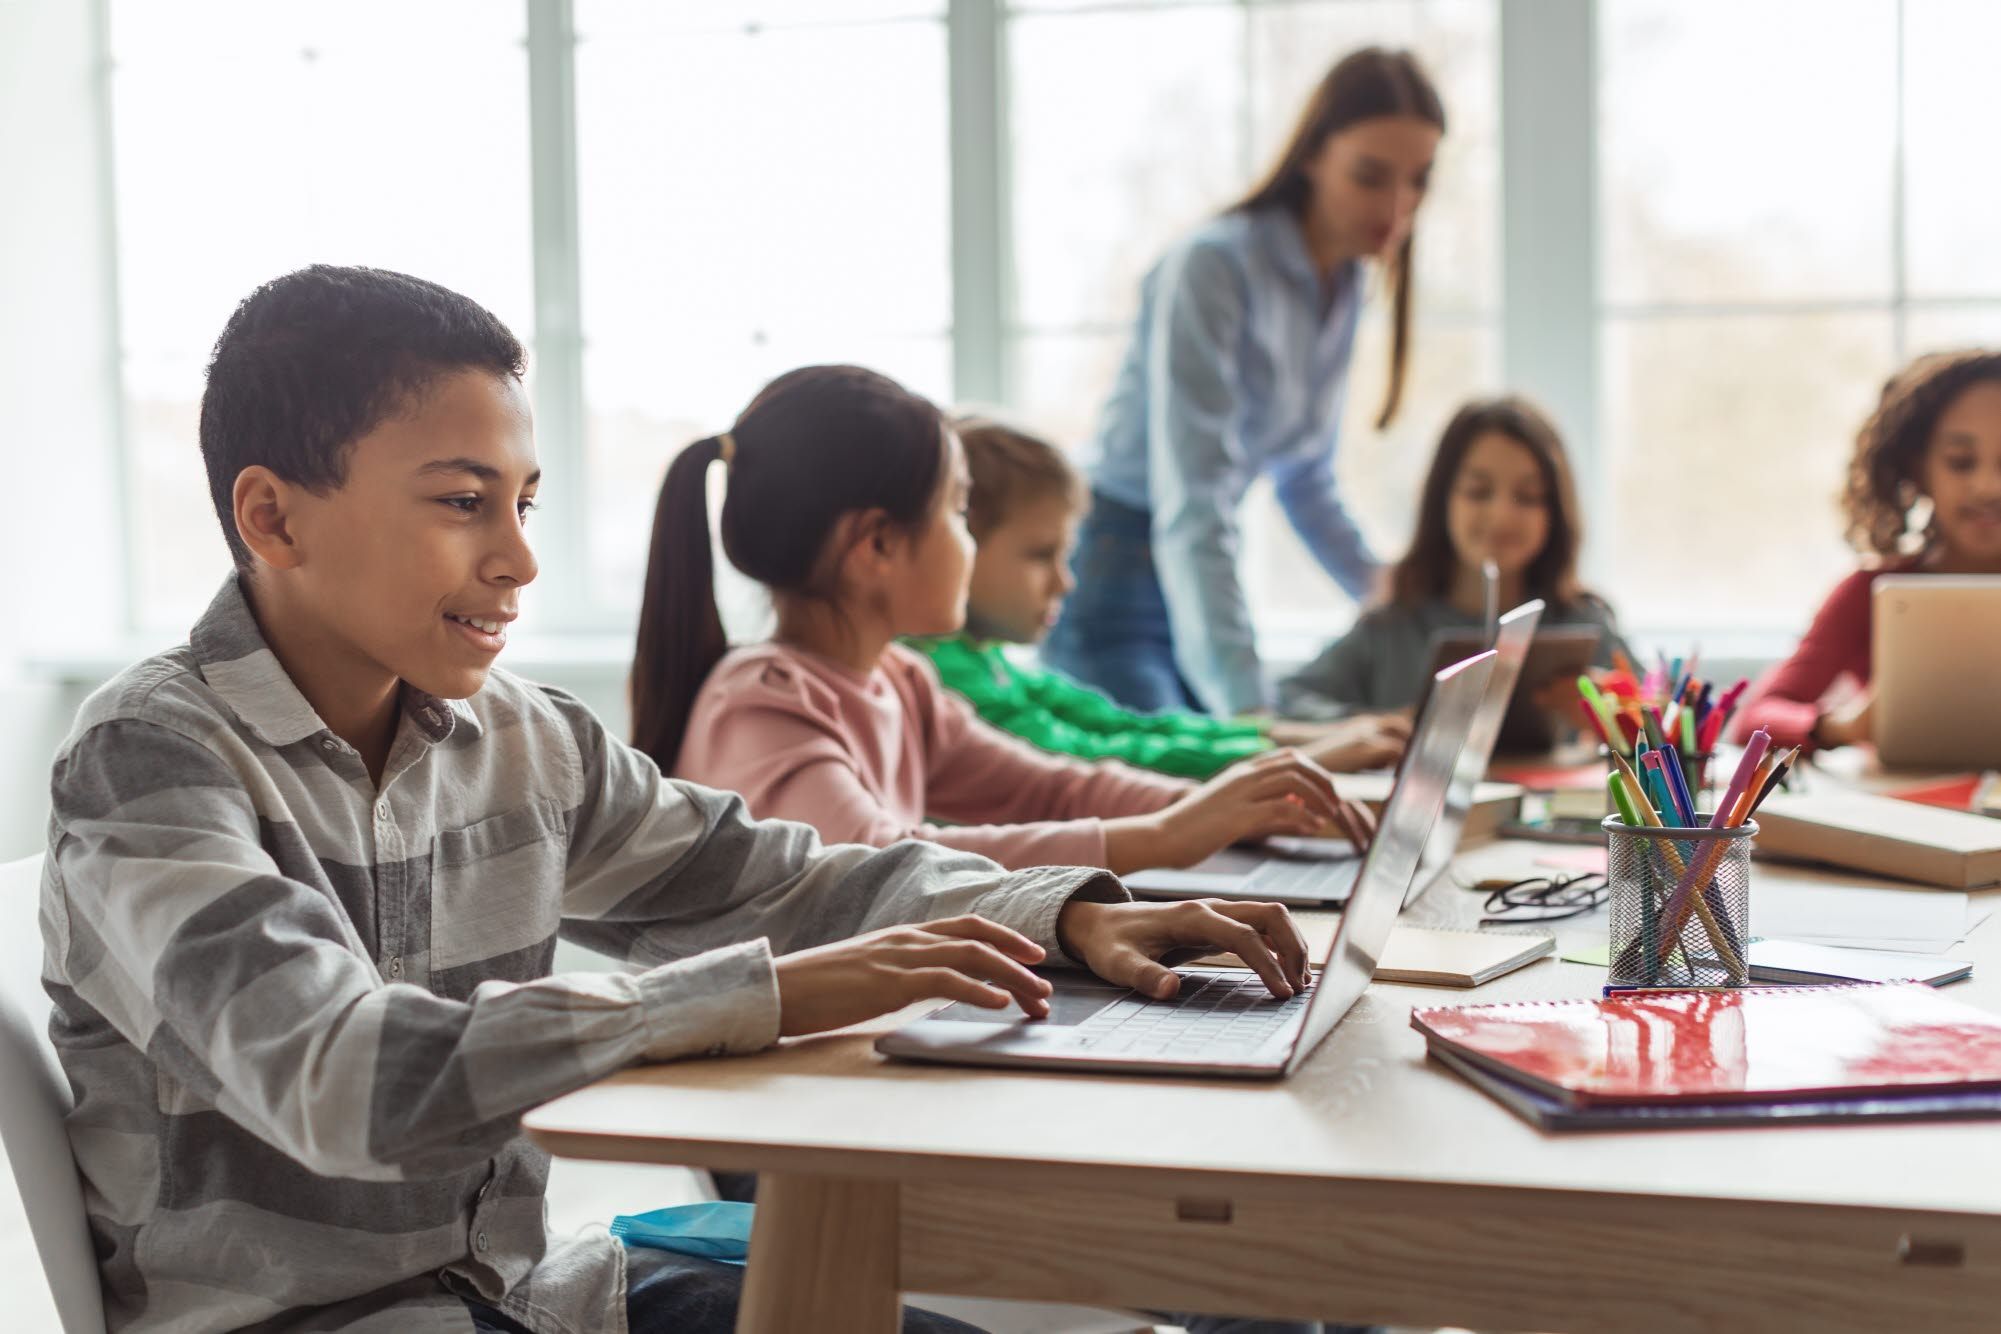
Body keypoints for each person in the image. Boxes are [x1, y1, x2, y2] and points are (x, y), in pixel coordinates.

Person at [41, 266, 1315, 1334]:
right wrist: (753, 994)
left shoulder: (527, 740)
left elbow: (789, 880)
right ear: (273, 514)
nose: (520, 557)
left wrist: (1064, 914)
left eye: (524, 501)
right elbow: (341, 1076)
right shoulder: (149, 763)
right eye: (463, 500)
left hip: (529, 1298)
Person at [635, 365, 1379, 878]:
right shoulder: (762, 700)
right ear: (879, 546)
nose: (968, 538)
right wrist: (1161, 836)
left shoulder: (902, 681)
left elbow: (1057, 790)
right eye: (959, 512)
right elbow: (881, 865)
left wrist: (1228, 810)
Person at [1043, 47, 1445, 716]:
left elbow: (1305, 477)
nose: (1397, 208)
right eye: (1371, 177)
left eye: (1418, 181)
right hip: (1115, 572)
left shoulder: (1343, 281)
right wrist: (1249, 714)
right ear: (1312, 155)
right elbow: (1193, 505)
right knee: (1182, 789)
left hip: (1190, 572)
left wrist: (1394, 595)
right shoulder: (1213, 267)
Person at [911, 413, 1410, 777]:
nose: (1066, 582)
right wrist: (1290, 758)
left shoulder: (992, 662)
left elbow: (1123, 725)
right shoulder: (941, 677)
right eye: (1041, 556)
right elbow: (1087, 756)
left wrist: (1308, 737)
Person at [1279, 395, 1617, 719]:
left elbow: (1654, 718)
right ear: (1442, 500)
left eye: (1528, 497)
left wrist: (1609, 714)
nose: (1501, 516)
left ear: (1555, 511)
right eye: (1477, 492)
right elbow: (1288, 700)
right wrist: (1371, 726)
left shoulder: (1584, 622)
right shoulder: (1392, 627)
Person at [1733, 349, 2001, 751]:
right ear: (1918, 468)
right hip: (1904, 808)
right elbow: (1755, 719)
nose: (1988, 487)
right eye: (1960, 462)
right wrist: (1841, 727)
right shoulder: (1869, 592)